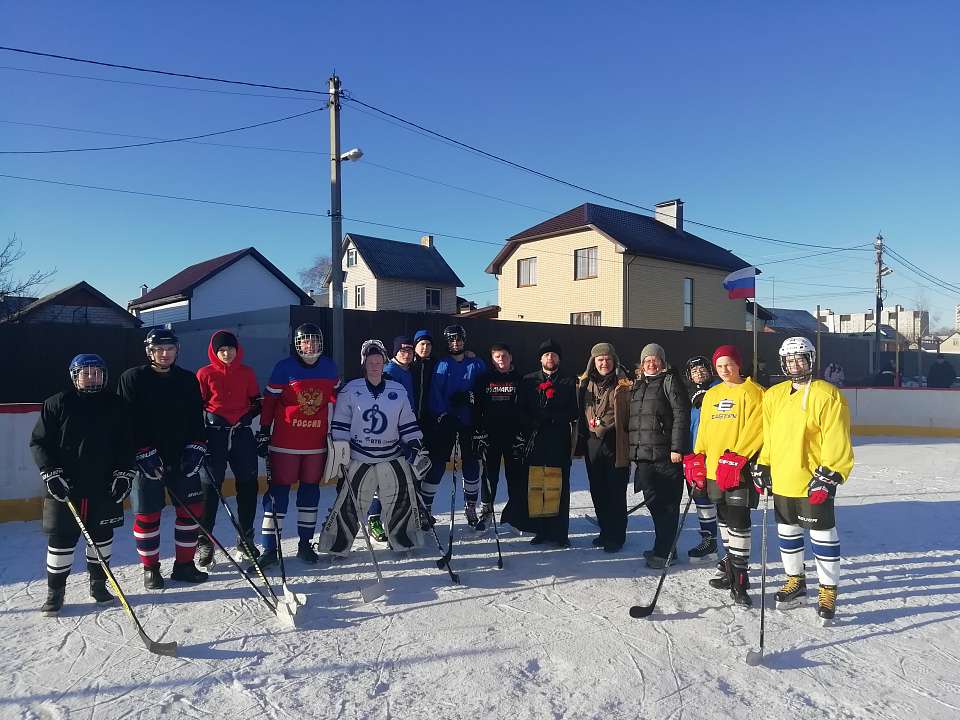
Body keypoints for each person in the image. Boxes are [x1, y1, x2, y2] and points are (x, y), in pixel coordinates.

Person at [753, 336, 854, 623]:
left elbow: (837, 436)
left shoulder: (827, 394)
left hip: (813, 481)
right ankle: (795, 582)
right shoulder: (773, 395)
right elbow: (769, 435)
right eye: (790, 360)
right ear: (783, 363)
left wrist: (830, 473)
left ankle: (828, 590)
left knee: (822, 534)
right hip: (783, 478)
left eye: (800, 359)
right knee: (787, 533)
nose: (795, 364)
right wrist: (763, 463)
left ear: (811, 360)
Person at [30, 355, 135, 616]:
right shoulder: (57, 403)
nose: (92, 377)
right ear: (74, 376)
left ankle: (98, 584)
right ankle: (55, 591)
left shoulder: (117, 405)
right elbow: (39, 442)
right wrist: (50, 473)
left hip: (104, 486)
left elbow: (127, 444)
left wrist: (124, 474)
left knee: (102, 538)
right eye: (85, 373)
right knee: (61, 539)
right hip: (65, 487)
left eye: (97, 373)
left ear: (105, 376)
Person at [317, 340, 429, 554]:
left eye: (379, 362)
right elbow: (340, 424)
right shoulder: (351, 389)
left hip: (392, 455)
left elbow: (407, 421)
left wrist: (414, 443)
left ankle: (403, 540)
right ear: (364, 364)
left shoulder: (398, 389)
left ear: (384, 363)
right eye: (371, 362)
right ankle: (337, 544)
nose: (375, 366)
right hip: (360, 457)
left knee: (400, 501)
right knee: (349, 503)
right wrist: (341, 452)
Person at [119, 328, 209, 589]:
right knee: (148, 515)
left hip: (181, 457)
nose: (165, 354)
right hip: (146, 460)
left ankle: (184, 566)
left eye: (170, 349)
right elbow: (125, 420)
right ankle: (151, 569)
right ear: (149, 351)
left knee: (191, 511)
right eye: (159, 349)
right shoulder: (132, 378)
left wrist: (197, 446)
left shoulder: (187, 379)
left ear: (177, 350)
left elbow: (196, 418)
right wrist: (141, 451)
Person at [255, 322, 339, 567]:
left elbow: (337, 399)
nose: (310, 345)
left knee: (310, 493)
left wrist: (341, 429)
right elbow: (270, 402)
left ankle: (304, 543)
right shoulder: (284, 368)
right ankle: (270, 548)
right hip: (285, 444)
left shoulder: (330, 367)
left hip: (315, 445)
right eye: (305, 341)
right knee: (278, 494)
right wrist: (264, 430)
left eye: (314, 340)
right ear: (297, 344)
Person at [689, 345, 764, 607]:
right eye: (719, 366)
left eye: (729, 364)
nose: (724, 370)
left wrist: (738, 456)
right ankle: (730, 569)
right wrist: (698, 456)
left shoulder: (754, 392)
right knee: (723, 519)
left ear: (738, 364)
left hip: (738, 468)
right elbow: (705, 429)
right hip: (713, 469)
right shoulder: (712, 394)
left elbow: (758, 429)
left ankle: (740, 580)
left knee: (739, 521)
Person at [195, 330, 262, 566]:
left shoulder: (247, 372)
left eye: (230, 349)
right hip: (215, 434)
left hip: (241, 433)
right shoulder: (204, 373)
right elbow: (197, 405)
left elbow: (256, 400)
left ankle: (246, 539)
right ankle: (205, 541)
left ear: (237, 349)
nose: (226, 353)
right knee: (210, 487)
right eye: (221, 350)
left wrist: (251, 412)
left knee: (248, 484)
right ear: (214, 352)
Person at [628, 344, 690, 568]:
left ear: (663, 362)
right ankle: (663, 546)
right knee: (653, 502)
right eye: (647, 360)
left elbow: (681, 415)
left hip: (666, 456)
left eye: (655, 359)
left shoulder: (670, 382)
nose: (651, 363)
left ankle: (665, 553)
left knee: (668, 505)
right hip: (644, 457)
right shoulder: (639, 385)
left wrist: (677, 448)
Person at [513, 339, 579, 547]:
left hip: (558, 441)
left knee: (558, 486)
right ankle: (540, 530)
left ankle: (559, 533)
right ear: (540, 359)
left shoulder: (569, 381)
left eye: (554, 355)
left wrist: (554, 417)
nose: (550, 358)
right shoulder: (528, 380)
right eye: (546, 355)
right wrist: (532, 420)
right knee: (537, 486)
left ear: (559, 358)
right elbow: (520, 408)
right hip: (536, 441)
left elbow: (574, 411)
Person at [420, 324, 487, 527]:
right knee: (437, 465)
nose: (455, 343)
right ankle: (426, 508)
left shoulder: (476, 363)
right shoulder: (442, 364)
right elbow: (434, 393)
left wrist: (471, 396)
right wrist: (443, 415)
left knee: (471, 464)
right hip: (446, 423)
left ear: (464, 340)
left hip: (470, 423)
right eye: (451, 340)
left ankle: (471, 506)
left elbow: (485, 389)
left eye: (458, 339)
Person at [576, 342, 632, 553]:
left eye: (608, 359)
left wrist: (609, 425)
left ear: (614, 361)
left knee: (615, 491)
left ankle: (616, 536)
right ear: (593, 362)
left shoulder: (624, 383)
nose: (604, 363)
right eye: (600, 360)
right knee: (598, 490)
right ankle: (605, 531)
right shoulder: (585, 383)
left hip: (616, 442)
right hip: (593, 443)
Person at [364, 335, 418, 541]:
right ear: (395, 352)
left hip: (405, 430)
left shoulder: (407, 371)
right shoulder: (389, 372)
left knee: (399, 479)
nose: (406, 354)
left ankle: (397, 519)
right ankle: (374, 519)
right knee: (381, 478)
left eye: (409, 350)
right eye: (402, 350)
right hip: (387, 434)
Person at [473, 342, 524, 529]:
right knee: (489, 476)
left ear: (510, 357)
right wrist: (478, 432)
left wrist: (523, 434)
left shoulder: (520, 379)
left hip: (513, 437)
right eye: (497, 356)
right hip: (490, 437)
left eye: (504, 356)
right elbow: (477, 407)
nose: (501, 359)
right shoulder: (484, 379)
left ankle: (515, 514)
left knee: (515, 476)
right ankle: (486, 513)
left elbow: (525, 409)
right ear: (492, 360)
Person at [682, 355, 721, 563]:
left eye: (702, 369)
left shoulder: (720, 389)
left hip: (716, 454)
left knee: (722, 502)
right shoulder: (687, 393)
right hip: (694, 455)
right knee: (701, 499)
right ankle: (709, 541)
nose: (698, 373)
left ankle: (734, 548)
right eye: (694, 370)